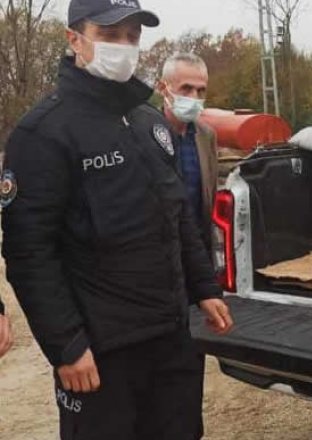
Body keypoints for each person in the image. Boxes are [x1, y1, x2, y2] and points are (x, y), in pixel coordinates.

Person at [0, 1, 234, 438]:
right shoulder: (43, 134)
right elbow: (29, 252)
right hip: (103, 351)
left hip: (170, 338)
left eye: (132, 36)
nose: (124, 46)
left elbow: (177, 216)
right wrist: (67, 346)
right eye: (109, 35)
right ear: (75, 40)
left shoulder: (149, 123)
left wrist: (204, 287)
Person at [157, 53, 218, 257]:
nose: (194, 98)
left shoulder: (206, 136)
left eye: (201, 91)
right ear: (163, 88)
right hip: (161, 254)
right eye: (186, 88)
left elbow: (210, 194)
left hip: (199, 250)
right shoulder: (145, 134)